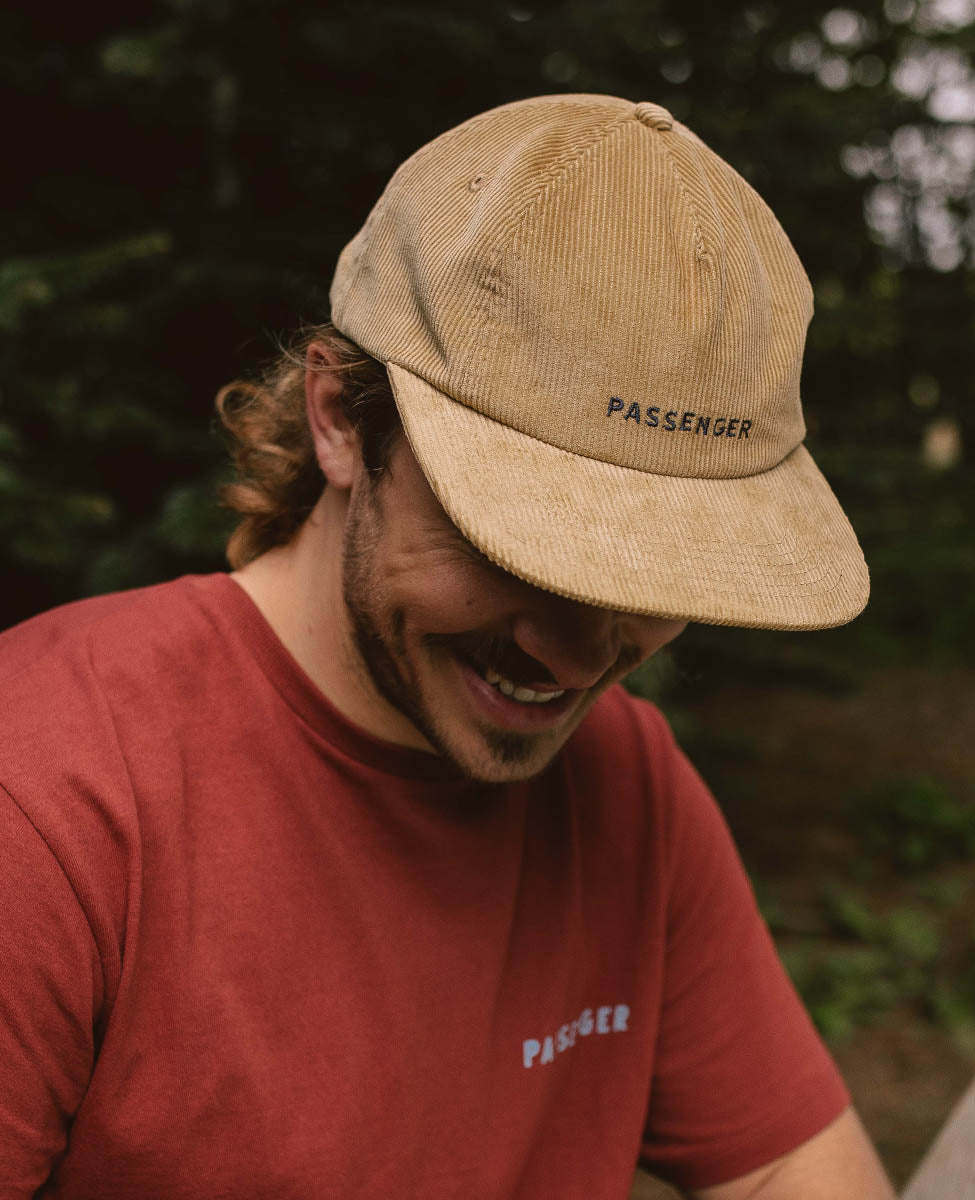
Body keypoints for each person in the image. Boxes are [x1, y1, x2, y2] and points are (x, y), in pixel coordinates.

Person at [0, 94, 892, 1199]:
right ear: (339, 415)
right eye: (519, 548)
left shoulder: (633, 786)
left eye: (657, 573)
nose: (576, 657)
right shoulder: (46, 798)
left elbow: (787, 1171)